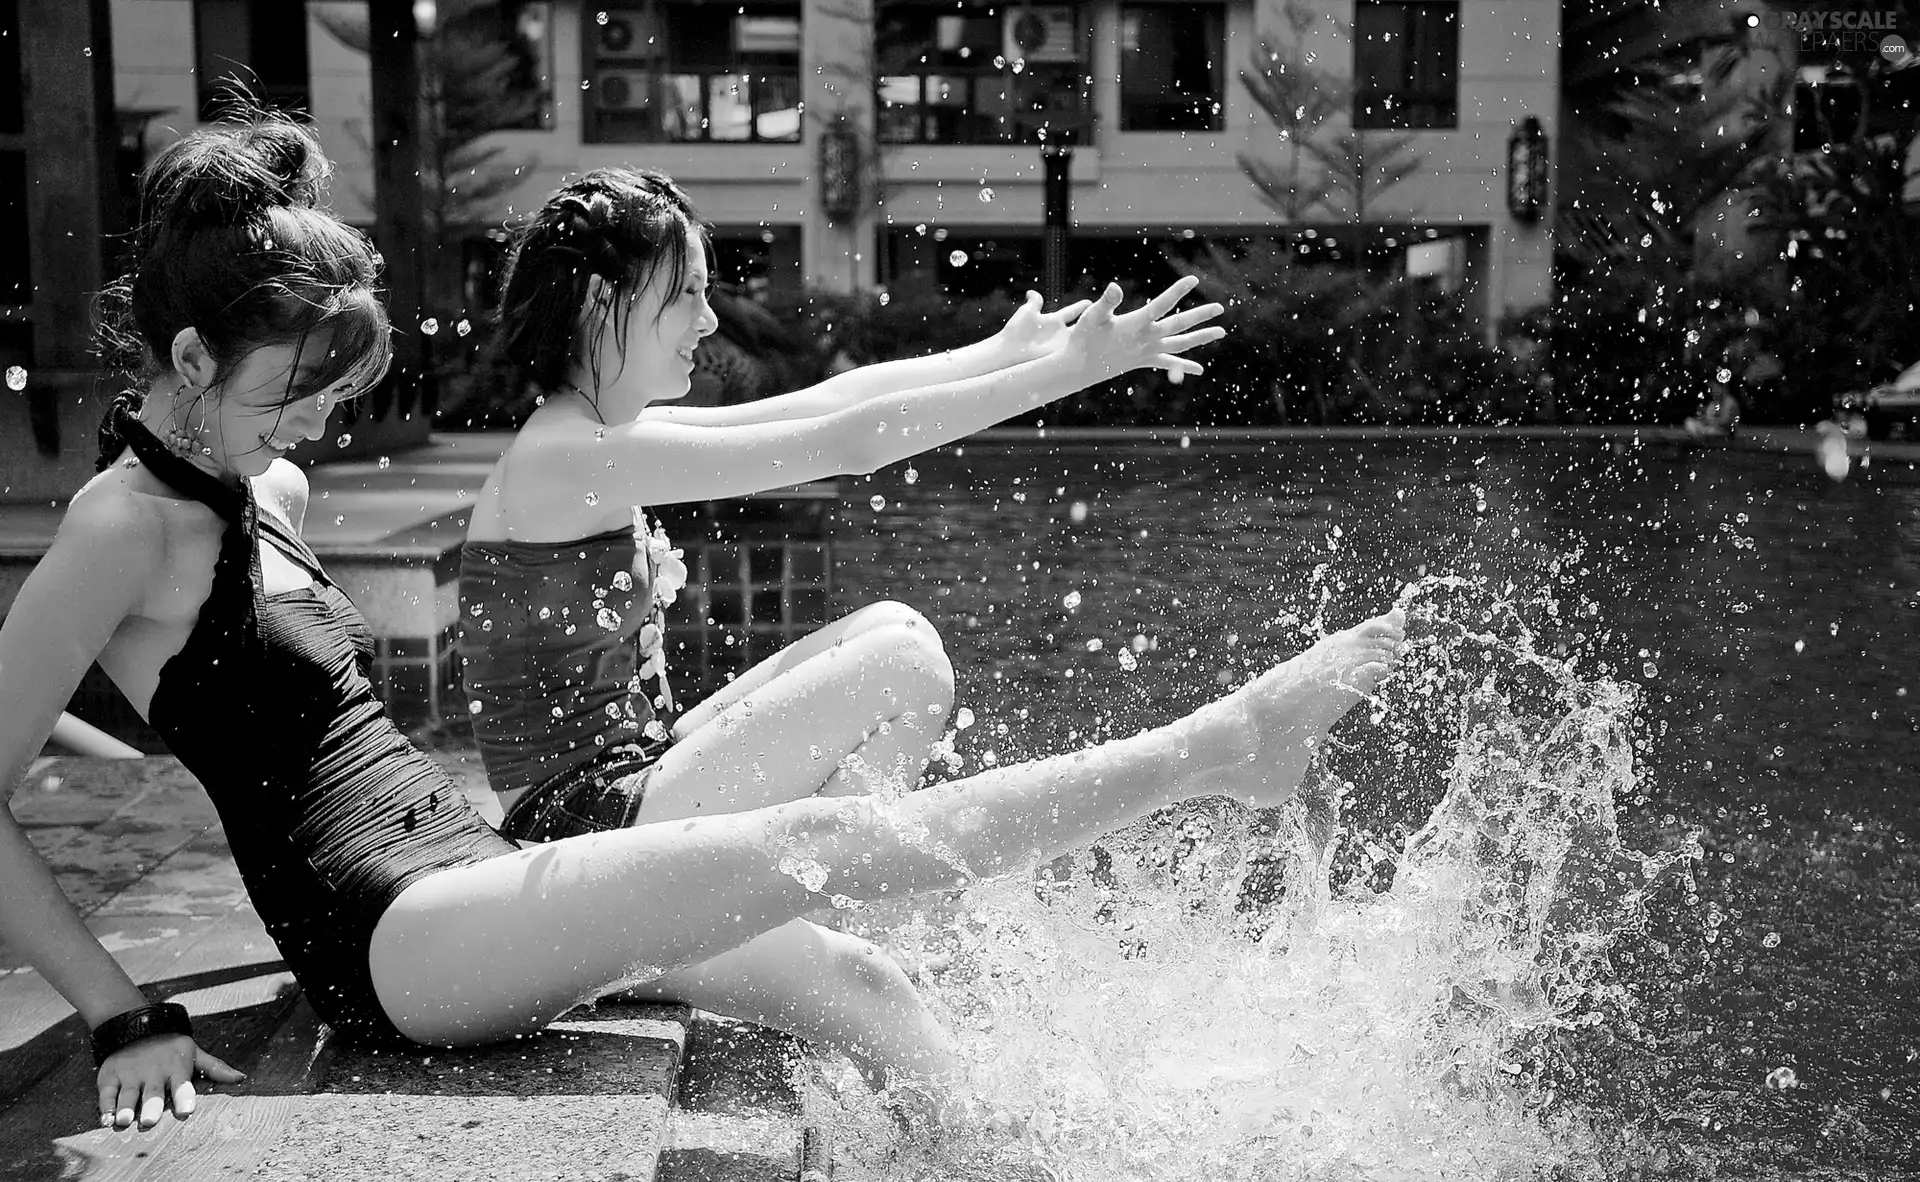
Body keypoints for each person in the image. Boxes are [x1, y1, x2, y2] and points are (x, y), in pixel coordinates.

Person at [0, 115, 1404, 1140]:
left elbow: (822, 420)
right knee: (829, 846)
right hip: (394, 936)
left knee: (861, 979)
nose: (315, 422)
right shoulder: (120, 529)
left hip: (478, 869)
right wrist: (123, 1010)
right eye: (289, 390)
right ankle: (1224, 747)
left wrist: (1031, 353)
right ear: (188, 361)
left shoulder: (273, 481)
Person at [458, 167, 1403, 1086]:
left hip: (624, 812)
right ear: (598, 304)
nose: (707, 324)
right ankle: (859, 882)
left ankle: (884, 962)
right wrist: (1067, 375)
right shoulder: (561, 458)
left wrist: (997, 354)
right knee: (900, 659)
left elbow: (831, 403)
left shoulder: (585, 441)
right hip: (586, 838)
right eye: (686, 298)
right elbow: (850, 441)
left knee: (875, 968)